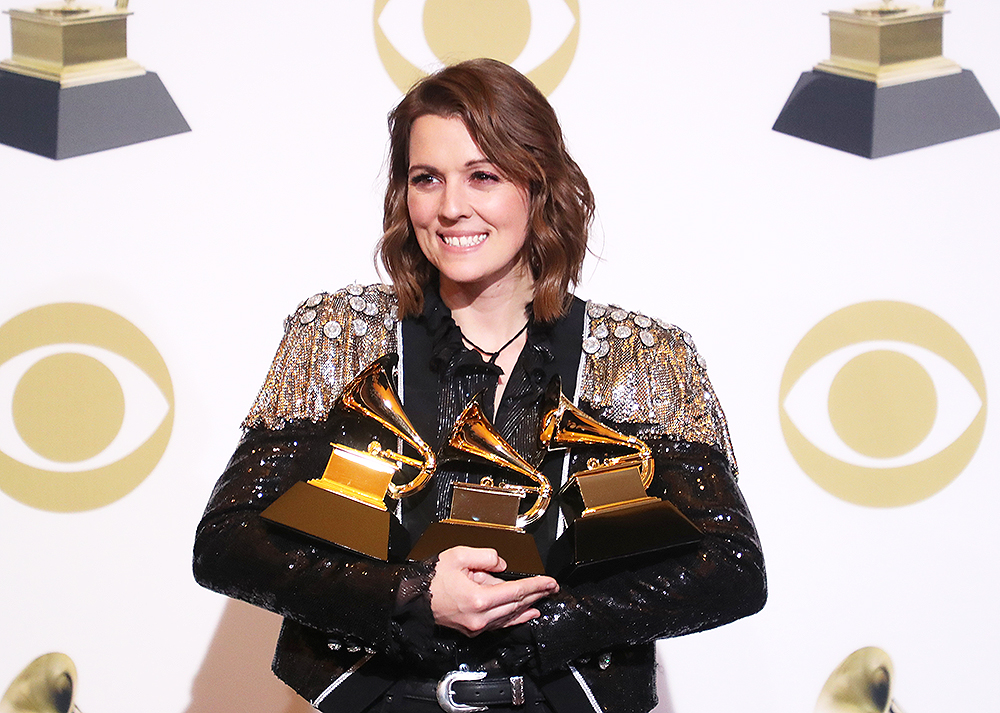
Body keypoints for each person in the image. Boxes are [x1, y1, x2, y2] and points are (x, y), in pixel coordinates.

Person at [193, 58, 766, 713]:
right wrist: (408, 595)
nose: (451, 206)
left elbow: (731, 567)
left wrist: (547, 622)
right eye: (426, 179)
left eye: (483, 176)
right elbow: (227, 540)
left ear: (538, 185)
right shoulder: (341, 334)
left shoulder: (638, 355)